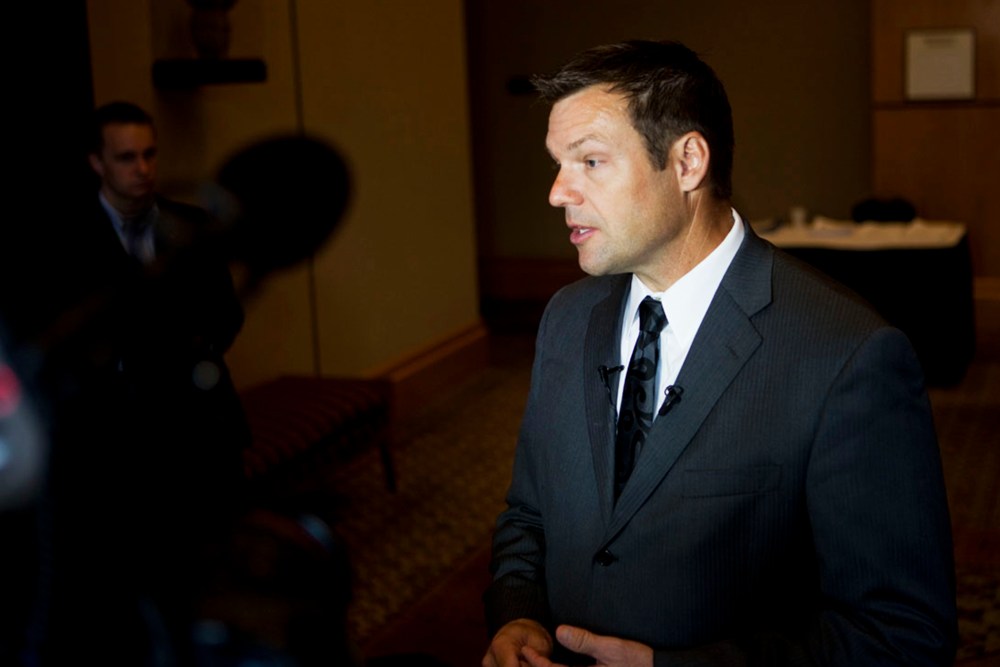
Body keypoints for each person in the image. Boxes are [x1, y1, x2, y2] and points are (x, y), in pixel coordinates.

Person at [482, 40, 956, 667]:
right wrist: (519, 614)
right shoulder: (567, 320)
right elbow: (528, 517)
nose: (557, 193)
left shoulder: (849, 354)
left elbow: (903, 635)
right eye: (557, 164)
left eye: (590, 162)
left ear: (687, 162)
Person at [5, 101, 252, 665]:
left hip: (202, 429)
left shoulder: (190, 225)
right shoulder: (61, 242)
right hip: (119, 446)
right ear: (96, 163)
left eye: (149, 154)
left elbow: (227, 316)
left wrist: (190, 346)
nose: (141, 169)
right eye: (125, 158)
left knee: (218, 580)